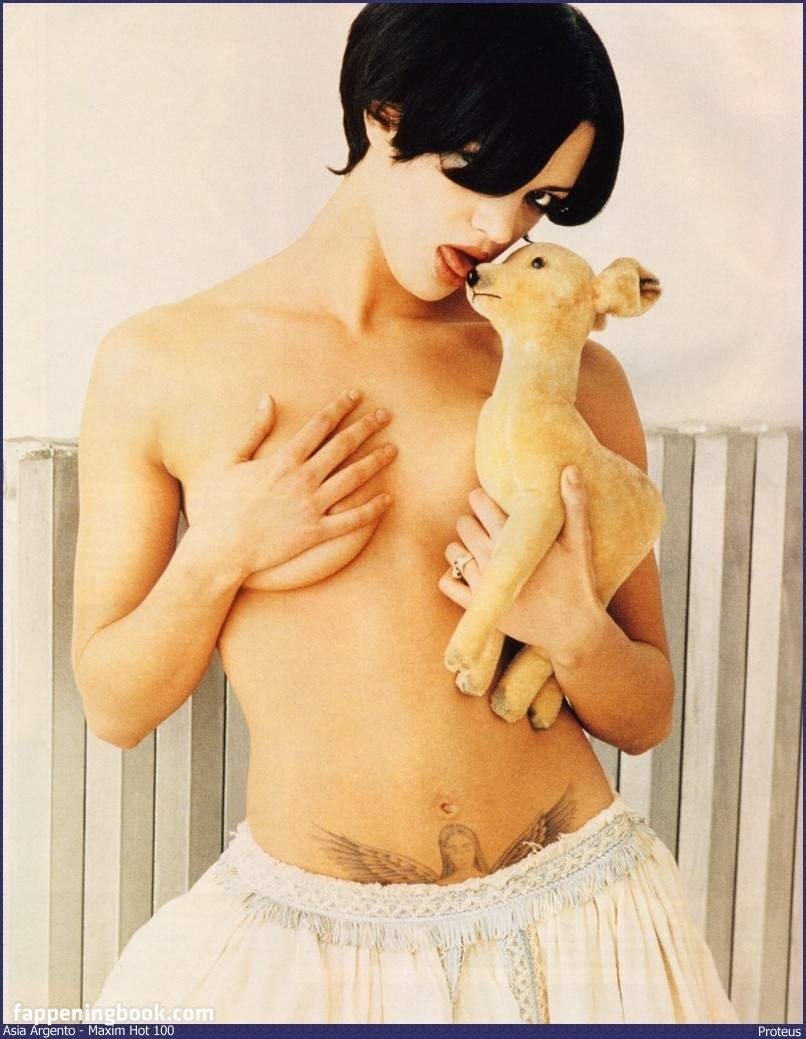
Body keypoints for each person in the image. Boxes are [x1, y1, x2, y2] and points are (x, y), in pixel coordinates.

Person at [73, 3, 739, 1025]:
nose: (502, 230)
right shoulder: (161, 363)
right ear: (382, 112)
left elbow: (644, 713)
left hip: (584, 926)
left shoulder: (566, 373)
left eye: (540, 200)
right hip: (314, 961)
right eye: (481, 176)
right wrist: (221, 554)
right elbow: (115, 705)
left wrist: (569, 629)